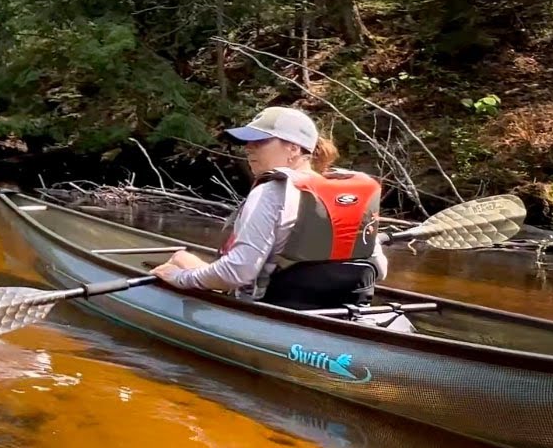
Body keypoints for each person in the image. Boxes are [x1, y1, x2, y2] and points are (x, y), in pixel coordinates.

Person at [150, 107, 388, 310]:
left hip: (275, 304)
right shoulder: (347, 194)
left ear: (294, 148)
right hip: (344, 306)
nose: (248, 148)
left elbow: (237, 273)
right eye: (248, 142)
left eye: (260, 141)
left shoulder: (271, 190)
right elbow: (379, 270)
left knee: (180, 259)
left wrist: (181, 278)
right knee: (183, 257)